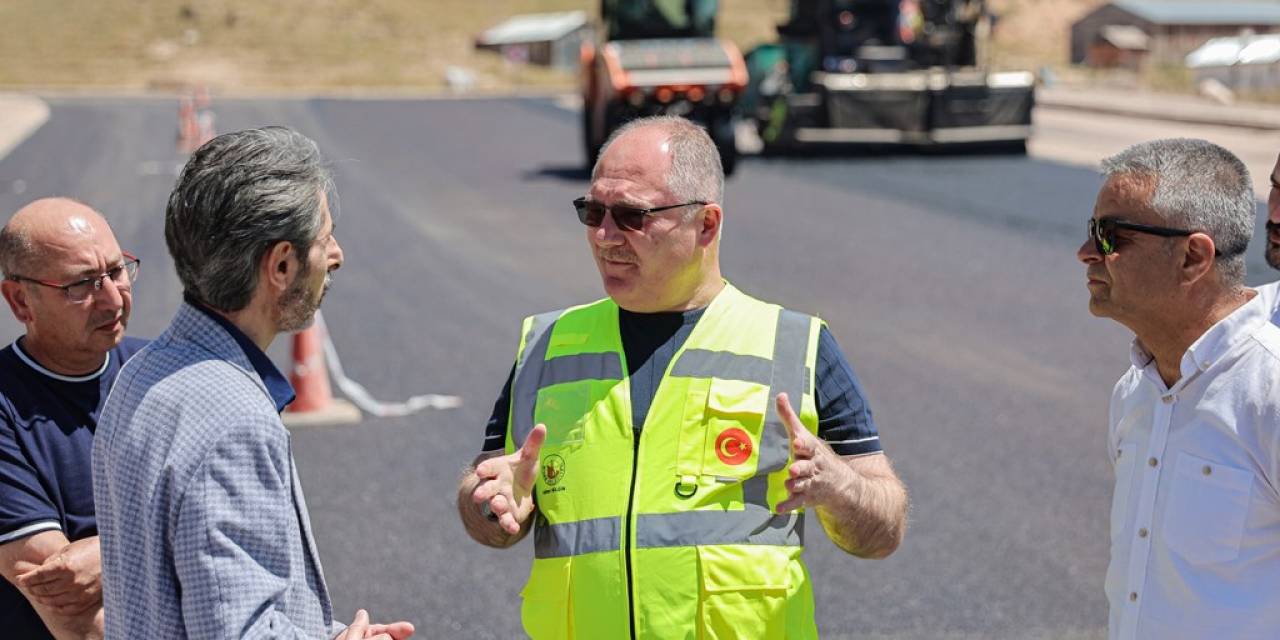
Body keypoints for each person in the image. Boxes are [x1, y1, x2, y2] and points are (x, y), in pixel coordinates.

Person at [457, 116, 908, 639]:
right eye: (592, 211)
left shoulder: (795, 345)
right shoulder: (546, 344)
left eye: (630, 215)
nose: (604, 235)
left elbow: (883, 530)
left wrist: (840, 486)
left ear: (707, 225)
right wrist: (486, 505)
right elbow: (484, 501)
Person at [92, 127, 412, 640]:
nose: (337, 254)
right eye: (325, 236)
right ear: (281, 265)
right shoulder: (232, 423)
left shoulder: (138, 374)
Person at [1077, 138, 1280, 639]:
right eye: (1091, 230)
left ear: (1192, 258)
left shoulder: (1269, 391)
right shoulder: (1134, 392)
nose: (1086, 254)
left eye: (1110, 236)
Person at [0, 198, 145, 640]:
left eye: (117, 271)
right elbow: (73, 613)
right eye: (81, 285)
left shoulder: (160, 374)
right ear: (21, 300)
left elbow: (239, 526)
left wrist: (110, 554)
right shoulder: (6, 407)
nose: (111, 298)